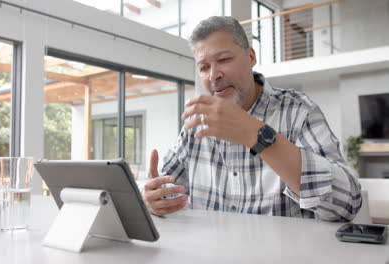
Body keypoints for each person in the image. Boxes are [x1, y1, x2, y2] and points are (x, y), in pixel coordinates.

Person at [142, 16, 361, 221]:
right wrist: (153, 199)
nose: (213, 75)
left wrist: (256, 135)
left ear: (250, 57)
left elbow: (347, 204)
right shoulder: (197, 123)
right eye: (204, 67)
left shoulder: (299, 111)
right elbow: (166, 195)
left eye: (224, 59)